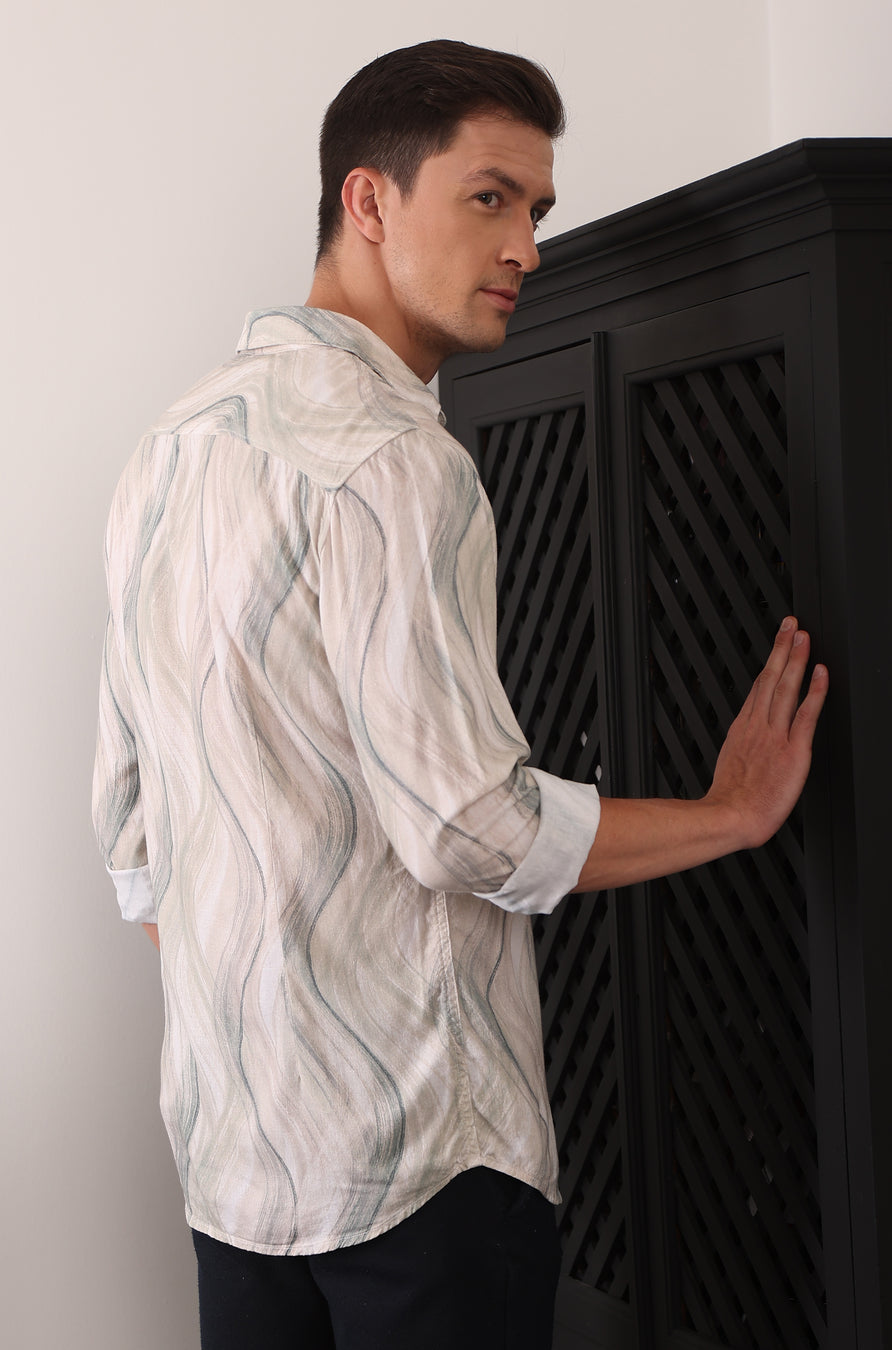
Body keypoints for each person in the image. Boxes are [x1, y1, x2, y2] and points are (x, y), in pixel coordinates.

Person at [92, 38, 828, 1350]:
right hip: (419, 1170)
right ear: (369, 201)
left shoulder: (170, 448)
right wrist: (730, 812)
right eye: (490, 197)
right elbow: (467, 828)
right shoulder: (397, 462)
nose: (527, 247)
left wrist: (276, 1007)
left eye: (534, 208)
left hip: (235, 1166)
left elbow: (132, 840)